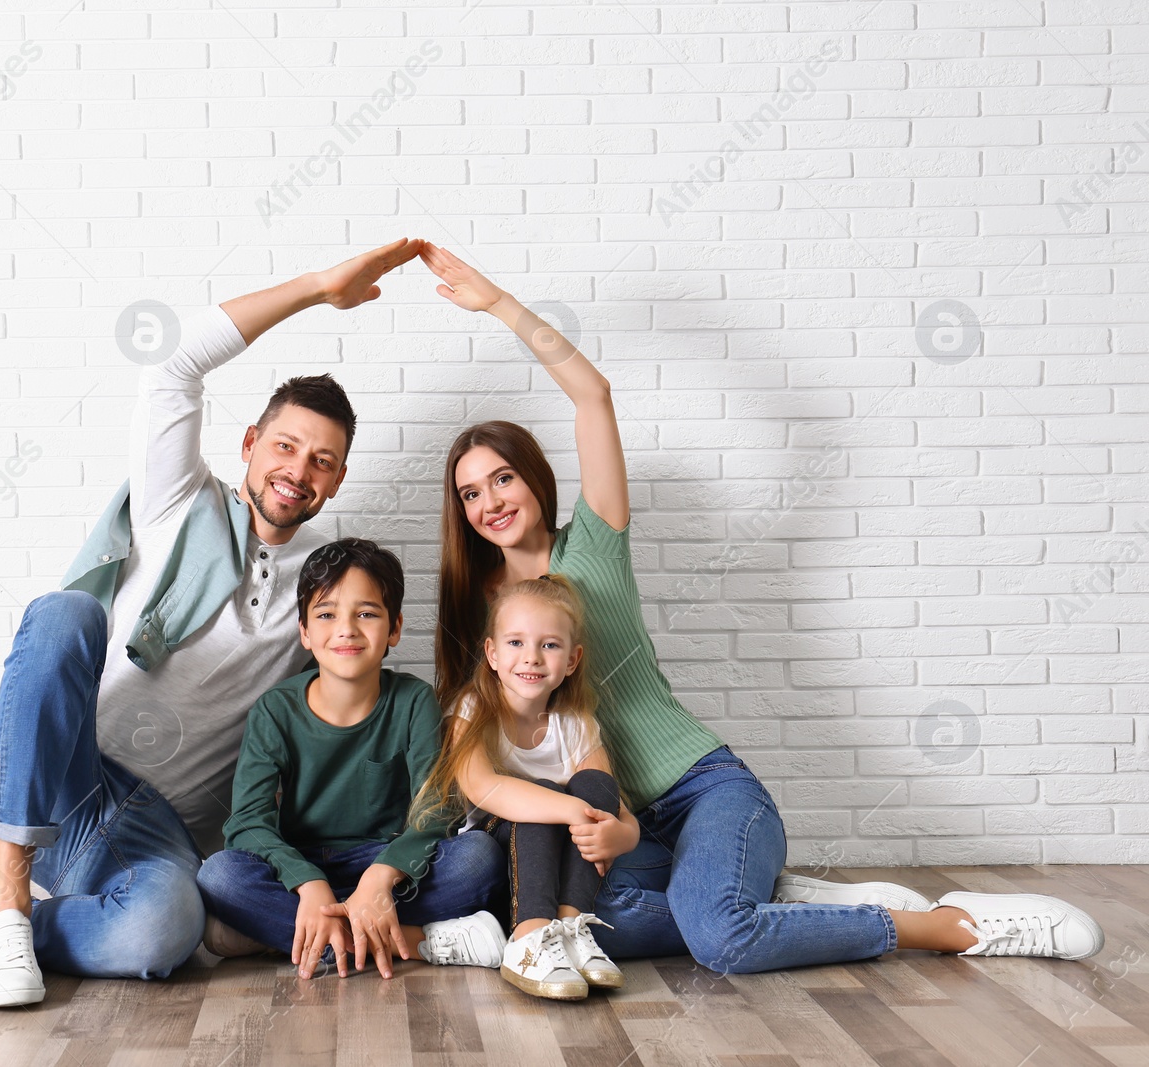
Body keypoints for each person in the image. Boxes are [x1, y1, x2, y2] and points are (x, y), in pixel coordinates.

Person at [418, 241, 1106, 972]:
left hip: (700, 789)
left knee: (718, 938)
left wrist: (499, 305)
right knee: (582, 919)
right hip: (617, 827)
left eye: (502, 479)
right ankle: (781, 900)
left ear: (534, 479)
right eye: (471, 493)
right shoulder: (481, 616)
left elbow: (593, 395)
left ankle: (946, 927)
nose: (491, 501)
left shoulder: (594, 538)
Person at [0, 239, 433, 1007]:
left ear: (337, 477)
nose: (297, 471)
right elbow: (174, 360)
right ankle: (8, 899)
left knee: (163, 938)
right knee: (64, 613)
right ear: (250, 444)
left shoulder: (325, 593)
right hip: (69, 779)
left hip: (161, 831)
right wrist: (315, 288)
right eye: (286, 445)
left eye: (322, 461)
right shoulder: (177, 499)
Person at [196, 538, 508, 980]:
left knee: (479, 858)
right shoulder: (274, 710)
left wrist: (380, 878)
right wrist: (309, 884)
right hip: (301, 870)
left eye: (366, 613)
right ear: (304, 631)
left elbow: (436, 810)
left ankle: (293, 939)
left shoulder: (414, 701)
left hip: (389, 869)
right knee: (219, 876)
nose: (346, 629)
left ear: (394, 628)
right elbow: (247, 823)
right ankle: (414, 941)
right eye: (326, 615)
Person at [412, 575, 634, 1000]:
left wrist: (623, 834)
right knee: (543, 796)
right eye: (515, 643)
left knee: (594, 782)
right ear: (492, 654)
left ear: (572, 660)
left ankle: (570, 929)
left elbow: (615, 806)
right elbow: (484, 787)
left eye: (549, 645)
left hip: (566, 853)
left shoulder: (575, 725)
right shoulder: (473, 709)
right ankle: (530, 933)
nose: (531, 658)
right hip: (497, 848)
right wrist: (568, 809)